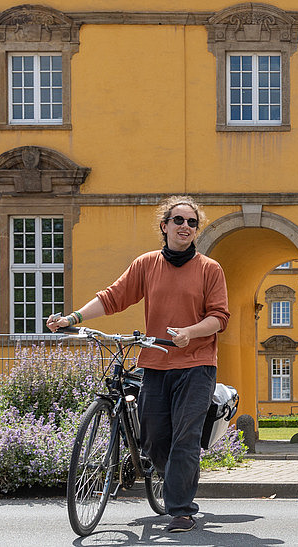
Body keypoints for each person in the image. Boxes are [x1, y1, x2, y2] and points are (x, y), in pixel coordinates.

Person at [46, 196, 230, 534]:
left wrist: (190, 333)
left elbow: (219, 317)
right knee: (155, 440)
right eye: (178, 220)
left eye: (192, 222)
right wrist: (73, 317)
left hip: (196, 364)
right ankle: (174, 475)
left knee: (185, 438)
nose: (185, 227)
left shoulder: (209, 268)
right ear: (164, 226)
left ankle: (181, 510)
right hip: (155, 364)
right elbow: (112, 297)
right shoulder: (147, 264)